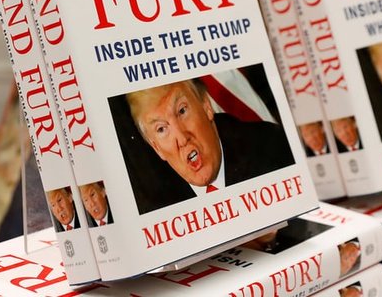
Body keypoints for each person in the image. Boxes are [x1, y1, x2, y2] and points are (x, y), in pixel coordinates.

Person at [123, 77, 294, 211]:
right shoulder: (155, 206)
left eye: (182, 111)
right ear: (156, 148)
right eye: (161, 129)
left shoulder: (272, 146)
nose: (182, 139)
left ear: (206, 106)